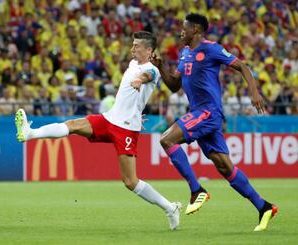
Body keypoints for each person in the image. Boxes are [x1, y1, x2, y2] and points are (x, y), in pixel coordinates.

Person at [15, 31, 182, 230]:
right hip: (109, 118)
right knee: (73, 126)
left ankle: (170, 208)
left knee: (130, 181)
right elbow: (133, 98)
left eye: (137, 46)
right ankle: (29, 133)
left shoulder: (151, 69)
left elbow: (147, 76)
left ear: (149, 50)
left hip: (126, 130)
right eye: (133, 44)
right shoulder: (132, 64)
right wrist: (137, 109)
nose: (132, 49)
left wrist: (139, 81)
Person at [150, 14, 277, 232]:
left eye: (184, 28)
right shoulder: (185, 53)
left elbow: (243, 67)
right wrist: (161, 67)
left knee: (166, 139)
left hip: (208, 112)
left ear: (196, 30)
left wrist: (254, 93)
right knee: (224, 166)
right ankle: (264, 206)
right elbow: (173, 86)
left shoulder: (211, 49)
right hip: (200, 114)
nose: (181, 31)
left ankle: (196, 190)